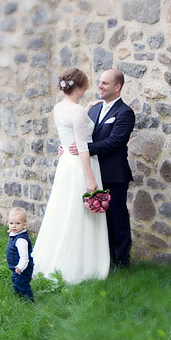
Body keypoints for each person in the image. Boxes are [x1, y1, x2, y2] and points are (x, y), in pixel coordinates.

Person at [33, 68, 111, 283]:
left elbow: (70, 134)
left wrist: (85, 110)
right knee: (78, 213)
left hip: (66, 162)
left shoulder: (60, 108)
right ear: (79, 86)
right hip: (79, 166)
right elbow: (83, 147)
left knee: (64, 210)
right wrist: (90, 178)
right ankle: (80, 266)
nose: (88, 88)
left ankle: (57, 259)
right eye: (86, 85)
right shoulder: (76, 112)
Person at [67, 68, 135, 269]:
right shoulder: (94, 109)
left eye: (105, 83)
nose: (100, 86)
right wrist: (69, 146)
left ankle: (122, 260)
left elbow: (115, 142)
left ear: (117, 87)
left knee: (117, 218)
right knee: (98, 221)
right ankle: (102, 258)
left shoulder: (125, 113)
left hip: (114, 175)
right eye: (99, 82)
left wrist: (84, 148)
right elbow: (81, 134)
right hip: (93, 173)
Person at [6, 207, 34, 302]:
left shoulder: (21, 240)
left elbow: (24, 257)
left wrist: (20, 268)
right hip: (16, 268)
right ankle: (18, 296)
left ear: (24, 225)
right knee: (15, 281)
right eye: (11, 223)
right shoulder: (15, 234)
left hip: (23, 268)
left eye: (17, 223)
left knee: (22, 283)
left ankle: (28, 301)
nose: (14, 226)